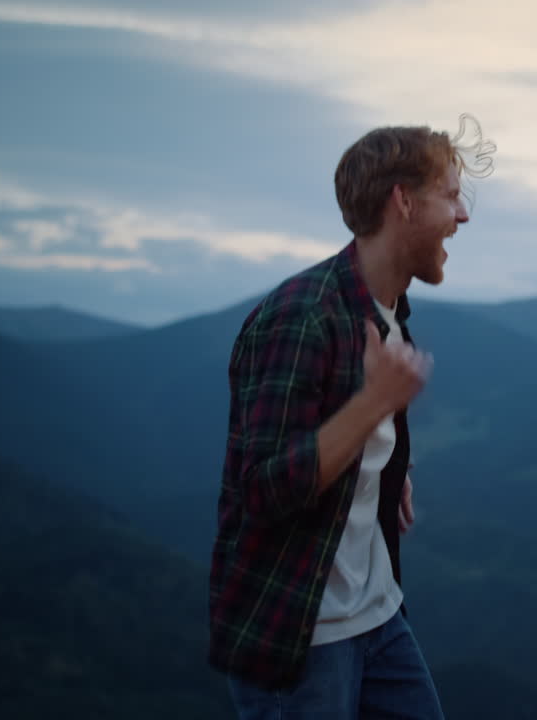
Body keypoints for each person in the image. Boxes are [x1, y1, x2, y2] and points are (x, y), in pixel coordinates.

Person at [209, 117, 492, 719]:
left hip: (377, 617)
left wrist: (385, 469)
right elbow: (262, 489)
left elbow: (340, 441)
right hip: (303, 638)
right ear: (403, 201)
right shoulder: (300, 318)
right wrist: (370, 408)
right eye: (450, 195)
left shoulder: (387, 316)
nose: (463, 215)